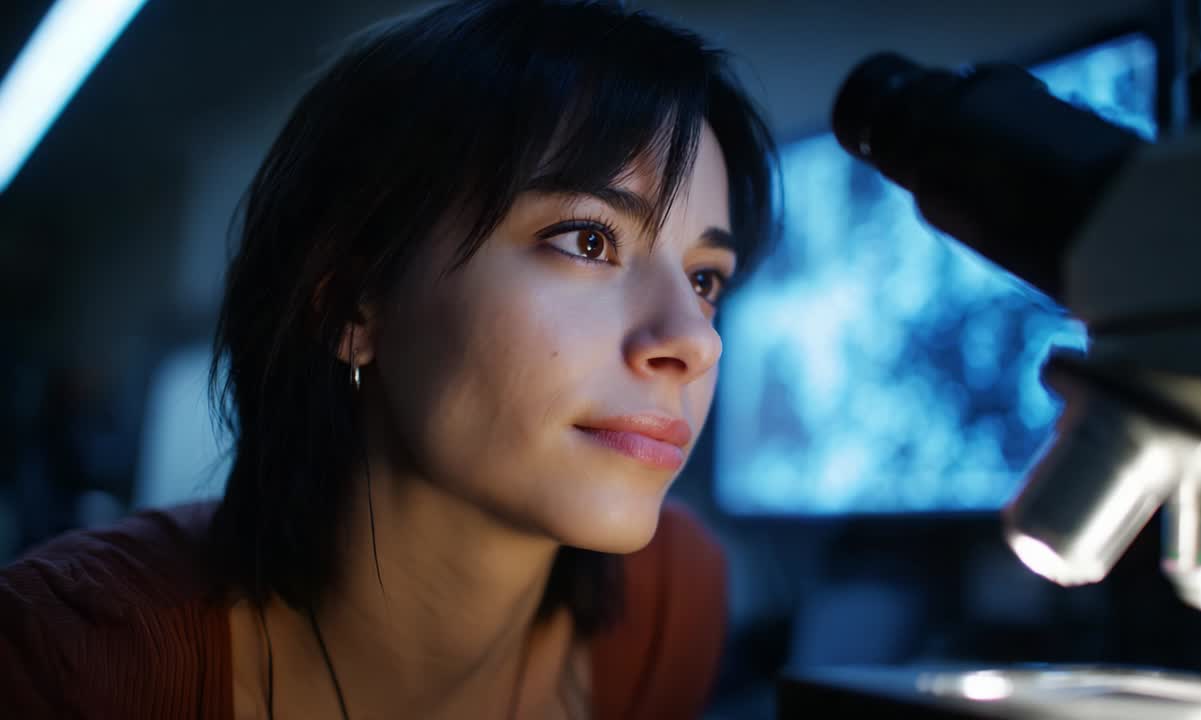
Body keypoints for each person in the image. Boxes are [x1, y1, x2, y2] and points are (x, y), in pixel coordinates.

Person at [0, 0, 776, 717]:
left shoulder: (675, 600)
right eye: (589, 239)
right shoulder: (63, 663)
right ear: (352, 306)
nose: (695, 340)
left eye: (706, 279)